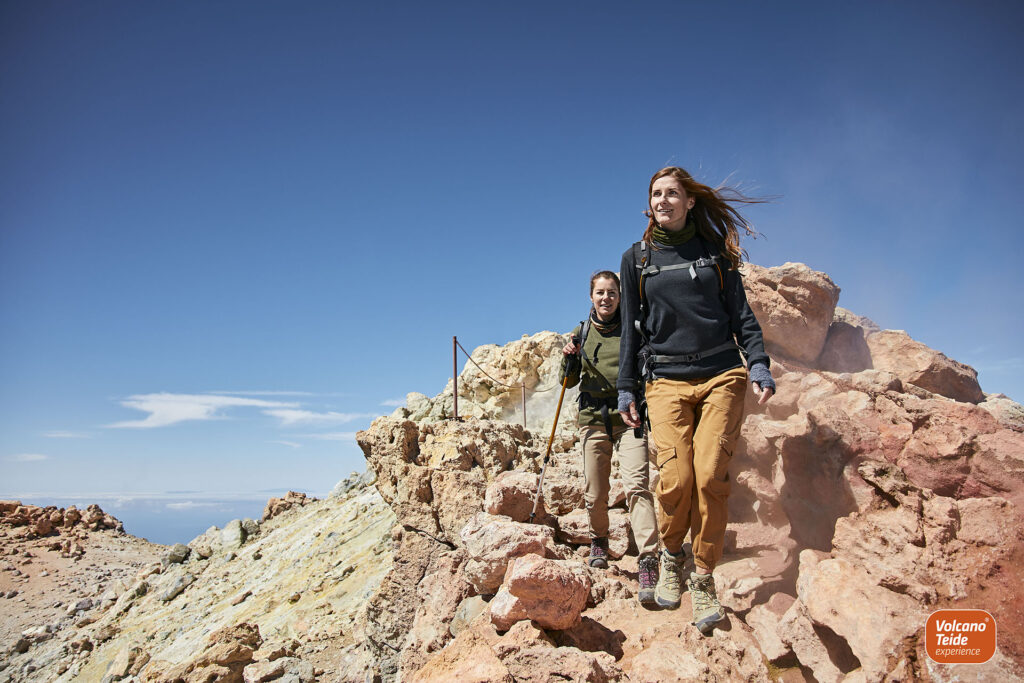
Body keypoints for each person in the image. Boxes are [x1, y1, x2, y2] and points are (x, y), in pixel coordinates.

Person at [617, 166, 775, 633]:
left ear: (689, 202)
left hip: (722, 373)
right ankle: (671, 557)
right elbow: (630, 329)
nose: (663, 200)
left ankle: (702, 575)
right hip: (664, 379)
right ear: (650, 205)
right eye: (656, 194)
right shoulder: (636, 259)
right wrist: (627, 386)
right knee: (675, 478)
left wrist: (759, 361)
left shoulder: (714, 252)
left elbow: (740, 313)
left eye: (672, 193)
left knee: (709, 476)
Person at [560, 271, 661, 605]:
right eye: (600, 293)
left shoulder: (633, 328)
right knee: (595, 491)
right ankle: (599, 541)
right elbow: (569, 382)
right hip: (592, 419)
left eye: (612, 293)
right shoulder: (582, 332)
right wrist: (568, 358)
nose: (606, 298)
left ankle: (649, 559)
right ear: (591, 296)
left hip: (630, 415)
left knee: (637, 486)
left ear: (621, 296)